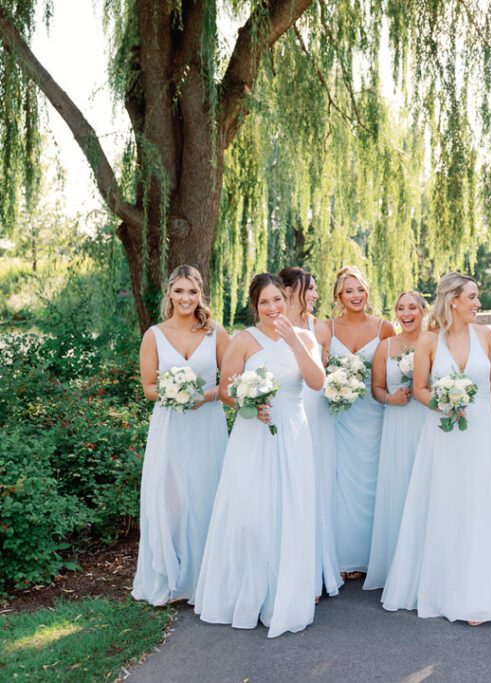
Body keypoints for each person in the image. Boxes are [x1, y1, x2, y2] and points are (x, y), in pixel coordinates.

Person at [194, 273, 325, 637]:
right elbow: (225, 391)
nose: (272, 308)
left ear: (287, 300)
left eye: (278, 300)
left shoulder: (305, 338)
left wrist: (295, 343)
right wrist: (251, 404)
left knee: (290, 508)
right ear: (255, 306)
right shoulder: (243, 341)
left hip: (293, 433)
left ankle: (287, 594)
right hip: (254, 434)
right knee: (252, 513)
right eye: (264, 302)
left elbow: (317, 382)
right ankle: (248, 593)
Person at [382, 273, 491, 624]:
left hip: (481, 429)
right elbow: (420, 387)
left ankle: (477, 595)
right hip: (443, 431)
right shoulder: (428, 340)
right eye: (471, 297)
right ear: (453, 300)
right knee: (446, 506)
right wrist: (443, 403)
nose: (477, 303)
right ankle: (444, 589)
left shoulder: (486, 335)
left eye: (477, 297)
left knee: (479, 508)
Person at [132, 265, 229, 606]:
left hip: (207, 422)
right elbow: (148, 387)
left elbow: (231, 381)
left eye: (192, 292)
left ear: (200, 294)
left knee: (206, 493)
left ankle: (206, 577)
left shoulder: (215, 332)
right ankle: (172, 576)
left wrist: (206, 395)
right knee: (170, 499)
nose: (186, 298)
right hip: (171, 425)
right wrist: (175, 395)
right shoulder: (154, 335)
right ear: (169, 293)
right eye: (180, 291)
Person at [325, 266, 395, 580]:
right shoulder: (325, 328)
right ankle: (342, 558)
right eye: (349, 290)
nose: (356, 296)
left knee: (373, 482)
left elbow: (393, 372)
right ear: (338, 295)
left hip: (374, 413)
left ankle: (373, 557)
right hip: (340, 415)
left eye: (360, 289)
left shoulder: (384, 328)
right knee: (341, 484)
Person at [280, 266, 342, 599]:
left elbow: (326, 370)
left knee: (320, 486)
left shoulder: (319, 327)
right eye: (310, 288)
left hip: (319, 410)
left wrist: (340, 385)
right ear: (289, 290)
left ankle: (319, 567)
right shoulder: (274, 324)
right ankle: (296, 569)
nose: (316, 294)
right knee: (295, 484)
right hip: (292, 409)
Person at [364, 291, 431, 590]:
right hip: (398, 423)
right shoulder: (385, 346)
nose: (406, 313)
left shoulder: (435, 342)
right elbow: (376, 388)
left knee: (428, 488)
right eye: (400, 308)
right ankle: (398, 565)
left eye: (412, 308)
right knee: (401, 488)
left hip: (427, 423)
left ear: (423, 310)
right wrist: (390, 398)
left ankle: (428, 562)